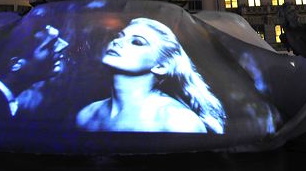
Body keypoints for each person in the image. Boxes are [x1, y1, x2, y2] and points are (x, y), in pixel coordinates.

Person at [76, 18, 225, 134]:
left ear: (161, 66)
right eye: (119, 36)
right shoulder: (87, 114)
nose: (117, 42)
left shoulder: (178, 120)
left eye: (137, 42)